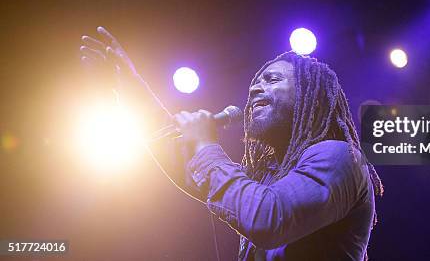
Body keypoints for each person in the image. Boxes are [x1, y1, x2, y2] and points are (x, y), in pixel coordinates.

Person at [80, 26, 383, 260]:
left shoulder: (341, 157)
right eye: (254, 85)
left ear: (310, 97)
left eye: (273, 80)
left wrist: (207, 146)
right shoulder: (265, 177)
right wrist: (132, 91)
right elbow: (186, 163)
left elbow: (269, 218)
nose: (255, 90)